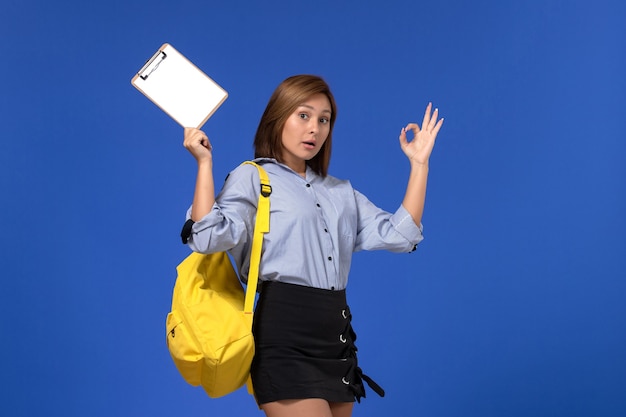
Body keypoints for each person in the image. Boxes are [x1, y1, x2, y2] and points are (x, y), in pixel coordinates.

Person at [181, 74, 443, 417]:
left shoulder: (339, 191)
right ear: (279, 118)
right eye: (303, 115)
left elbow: (400, 235)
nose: (315, 128)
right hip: (284, 336)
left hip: (336, 336)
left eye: (324, 120)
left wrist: (419, 165)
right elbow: (205, 236)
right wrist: (204, 164)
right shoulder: (253, 177)